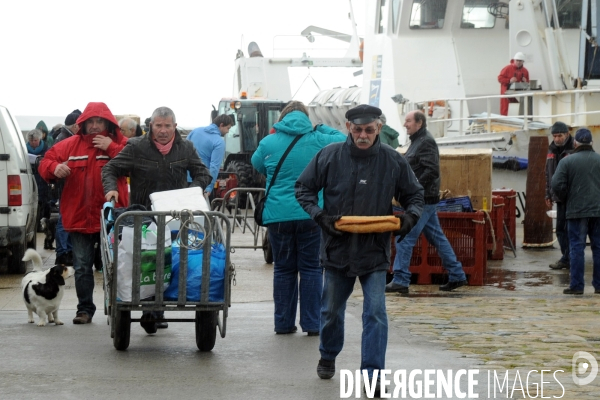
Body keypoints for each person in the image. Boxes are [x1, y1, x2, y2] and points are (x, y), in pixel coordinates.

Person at [295, 104, 424, 390]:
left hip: (374, 251)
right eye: (357, 130)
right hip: (337, 248)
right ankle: (328, 355)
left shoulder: (392, 160)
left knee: (376, 312)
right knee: (330, 311)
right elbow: (303, 189)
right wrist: (320, 216)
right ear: (347, 127)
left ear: (379, 128)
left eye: (368, 129)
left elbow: (415, 194)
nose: (362, 135)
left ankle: (373, 375)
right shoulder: (329, 156)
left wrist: (410, 218)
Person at [102, 106, 212, 333]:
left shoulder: (186, 147)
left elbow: (203, 173)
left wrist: (194, 190)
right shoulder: (136, 147)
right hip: (144, 216)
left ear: (175, 126)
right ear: (151, 125)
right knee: (147, 260)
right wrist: (111, 189)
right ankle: (150, 310)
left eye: (167, 126)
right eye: (158, 125)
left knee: (171, 258)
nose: (163, 130)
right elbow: (110, 169)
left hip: (176, 215)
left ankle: (156, 310)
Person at [251, 101, 346, 336]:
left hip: (278, 216)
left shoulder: (268, 142)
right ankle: (313, 324)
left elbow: (257, 165)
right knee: (312, 269)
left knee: (283, 269)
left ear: (282, 118)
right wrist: (320, 128)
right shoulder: (320, 139)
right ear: (307, 118)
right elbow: (344, 140)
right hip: (311, 214)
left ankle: (283, 323)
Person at [39, 102, 129, 324]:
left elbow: (135, 164)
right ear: (84, 123)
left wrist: (111, 147)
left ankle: (118, 308)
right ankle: (85, 309)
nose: (96, 126)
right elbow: (45, 161)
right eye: (91, 121)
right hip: (79, 217)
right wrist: (53, 168)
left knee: (118, 265)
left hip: (112, 217)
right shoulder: (69, 145)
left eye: (100, 121)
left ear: (108, 123)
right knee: (81, 266)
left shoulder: (121, 144)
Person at [386, 110, 468, 294]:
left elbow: (431, 171)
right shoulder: (418, 141)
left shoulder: (426, 142)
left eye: (408, 121)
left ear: (419, 123)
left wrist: (413, 189)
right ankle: (457, 275)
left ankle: (400, 279)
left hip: (421, 201)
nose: (405, 124)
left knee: (404, 237)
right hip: (426, 200)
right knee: (437, 238)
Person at [551, 128, 600, 295]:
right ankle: (599, 285)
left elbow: (556, 184)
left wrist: (566, 197)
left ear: (575, 143)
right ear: (592, 143)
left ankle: (577, 286)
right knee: (599, 248)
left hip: (576, 211)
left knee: (576, 248)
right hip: (598, 211)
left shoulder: (567, 161)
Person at [53, 109, 82, 265]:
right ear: (76, 126)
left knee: (66, 219)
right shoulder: (64, 139)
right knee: (64, 220)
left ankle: (67, 251)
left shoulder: (63, 137)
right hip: (66, 186)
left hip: (67, 186)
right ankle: (63, 252)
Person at [545, 121, 574, 270]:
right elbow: (548, 173)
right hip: (560, 197)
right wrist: (548, 195)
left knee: (572, 229)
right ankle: (566, 257)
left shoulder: (575, 149)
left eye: (560, 135)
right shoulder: (551, 150)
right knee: (561, 229)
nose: (557, 139)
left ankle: (571, 258)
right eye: (554, 136)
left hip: (573, 198)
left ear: (567, 134)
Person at [186, 114, 232, 198]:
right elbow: (214, 167)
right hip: (201, 182)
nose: (228, 131)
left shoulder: (195, 131)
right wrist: (209, 188)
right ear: (221, 125)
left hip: (184, 180)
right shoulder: (219, 142)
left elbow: (182, 152)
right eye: (228, 128)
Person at [26, 129, 50, 229]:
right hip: (30, 176)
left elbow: (50, 160)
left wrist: (43, 158)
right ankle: (34, 224)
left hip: (43, 177)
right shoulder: (24, 148)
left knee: (44, 200)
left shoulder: (46, 148)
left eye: (35, 140)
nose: (33, 143)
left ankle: (44, 223)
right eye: (31, 141)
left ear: (39, 139)